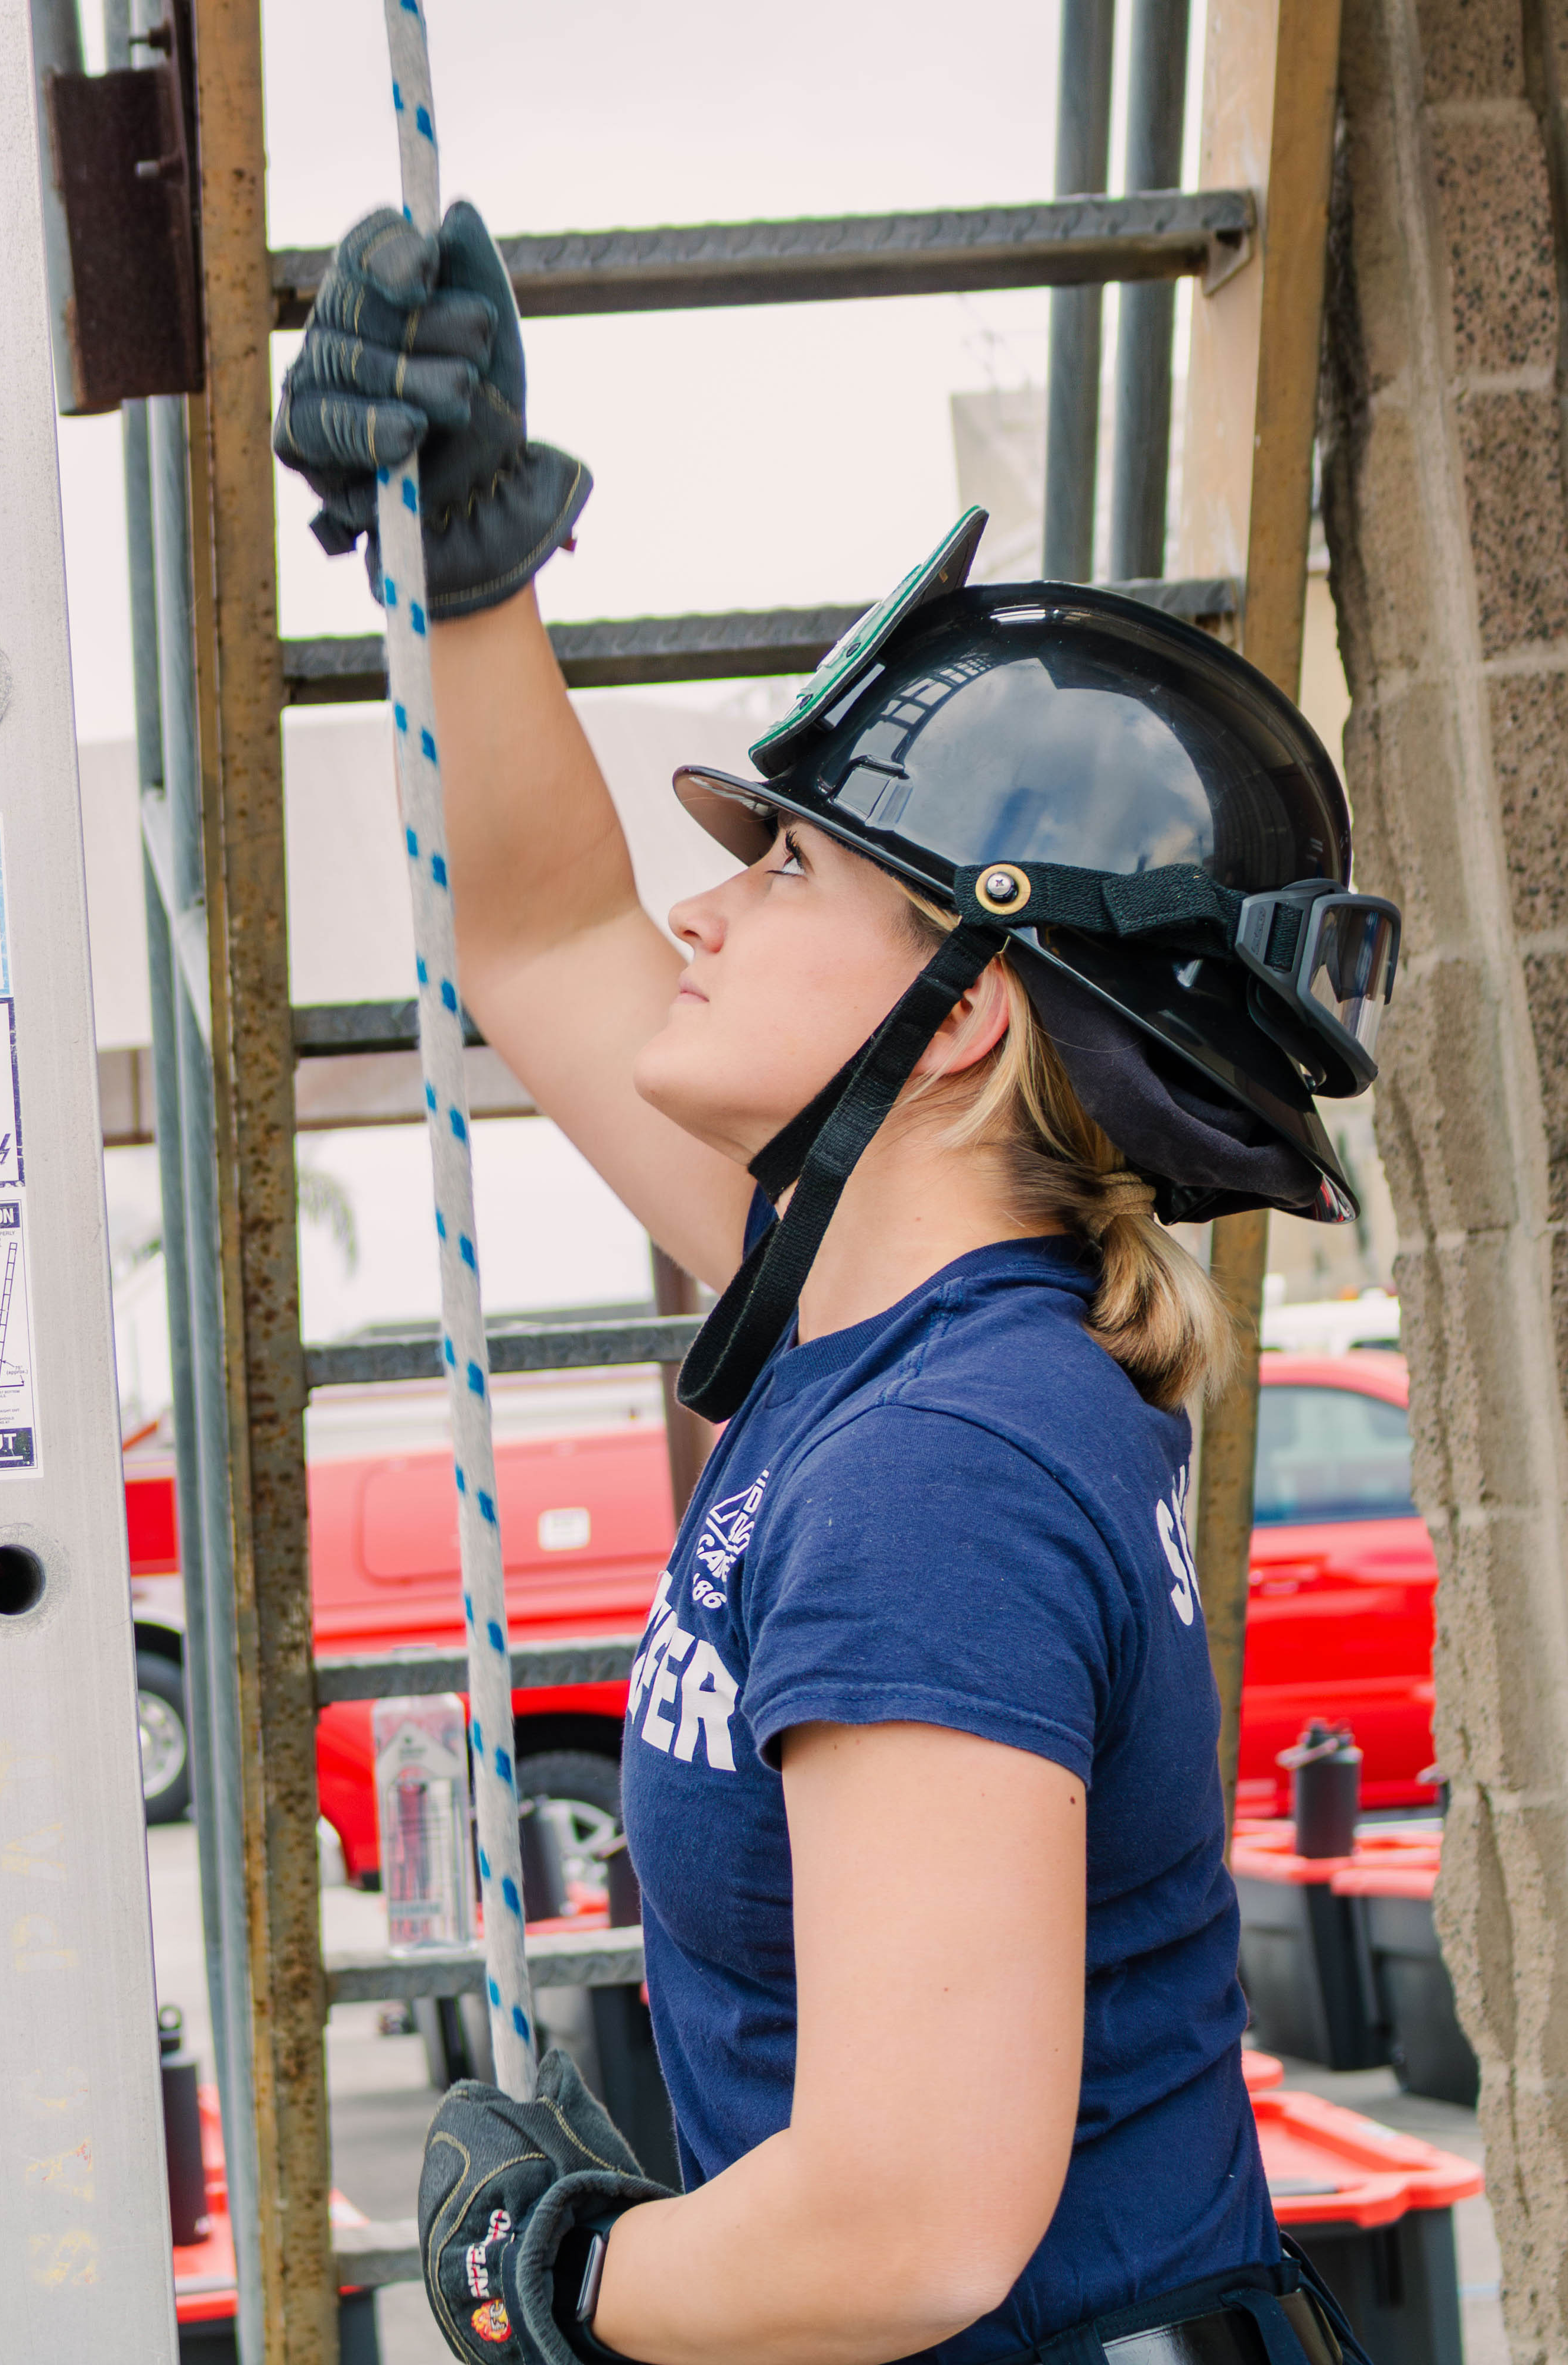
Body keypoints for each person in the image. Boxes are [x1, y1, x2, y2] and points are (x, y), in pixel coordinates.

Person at [276, 209, 1398, 2365]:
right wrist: (475, 559)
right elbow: (534, 935)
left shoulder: (937, 1478)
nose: (706, 911)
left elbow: (906, 2227)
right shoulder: (879, 1325)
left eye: (788, 869)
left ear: (964, 1021)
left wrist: (559, 2279)